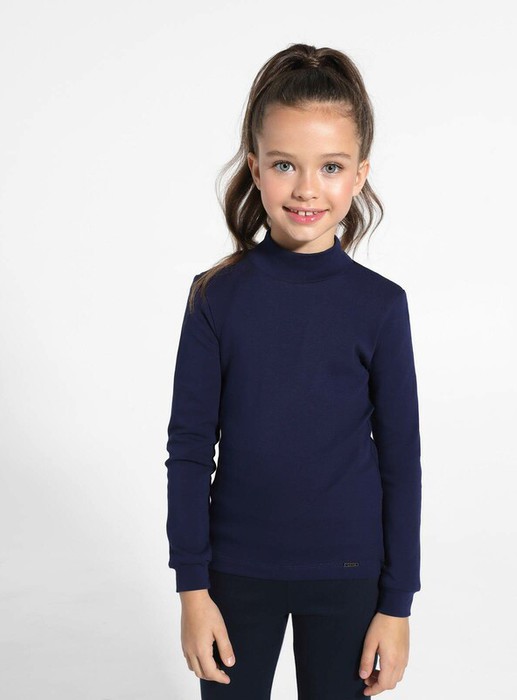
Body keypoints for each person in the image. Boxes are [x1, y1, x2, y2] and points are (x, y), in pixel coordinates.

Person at [164, 42, 422, 699]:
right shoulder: (215, 298)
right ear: (255, 168)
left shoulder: (380, 306)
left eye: (330, 166)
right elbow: (189, 450)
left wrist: (396, 605)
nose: (307, 188)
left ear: (359, 174)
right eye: (284, 164)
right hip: (233, 575)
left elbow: (401, 461)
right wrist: (192, 589)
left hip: (348, 575)